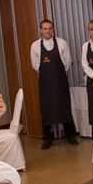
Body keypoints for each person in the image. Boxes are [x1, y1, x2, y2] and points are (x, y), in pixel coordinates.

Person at [30, 19, 78, 149]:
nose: (47, 31)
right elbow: (35, 65)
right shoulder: (35, 45)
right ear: (41, 30)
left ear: (53, 29)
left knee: (65, 107)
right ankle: (47, 138)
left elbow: (67, 62)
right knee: (46, 109)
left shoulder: (62, 43)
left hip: (61, 81)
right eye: (45, 28)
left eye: (50, 28)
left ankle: (70, 135)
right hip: (45, 83)